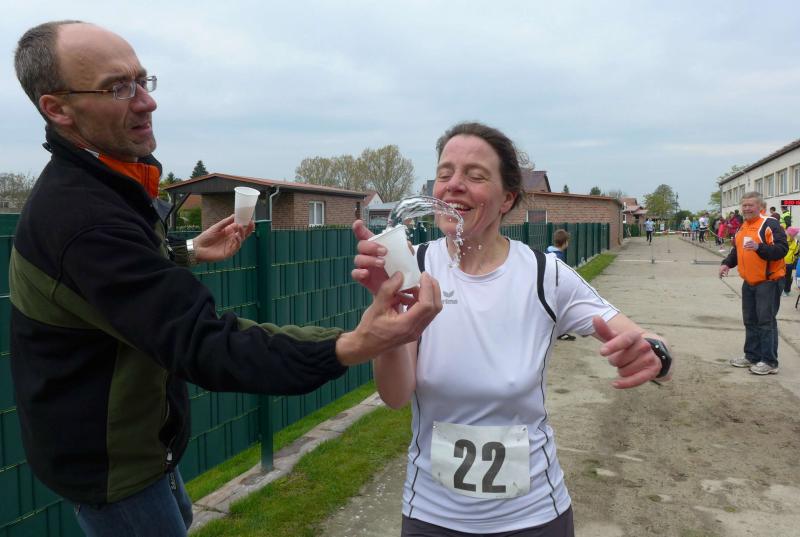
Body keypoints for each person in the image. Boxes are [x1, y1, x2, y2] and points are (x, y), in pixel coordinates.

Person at [11, 21, 442, 536]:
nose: (147, 101)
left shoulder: (108, 182)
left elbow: (110, 291)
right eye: (117, 87)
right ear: (57, 108)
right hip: (111, 468)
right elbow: (205, 342)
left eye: (143, 80)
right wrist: (351, 345)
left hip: (144, 444)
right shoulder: (83, 218)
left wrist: (185, 251)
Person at [351, 122, 673, 536]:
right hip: (432, 516)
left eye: (475, 175)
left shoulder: (544, 275)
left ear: (507, 198)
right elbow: (395, 396)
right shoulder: (414, 268)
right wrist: (390, 315)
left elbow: (646, 340)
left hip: (534, 516)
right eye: (445, 173)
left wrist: (656, 355)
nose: (454, 185)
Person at [720, 191, 787, 375]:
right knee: (750, 320)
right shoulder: (743, 227)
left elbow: (782, 249)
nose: (747, 208)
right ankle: (752, 356)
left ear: (760, 207)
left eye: (751, 205)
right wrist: (726, 264)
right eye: (744, 205)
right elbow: (737, 251)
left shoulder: (769, 224)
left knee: (766, 321)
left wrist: (759, 247)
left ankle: (770, 362)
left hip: (769, 281)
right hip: (749, 281)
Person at [782, 227, 800, 297]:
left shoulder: (796, 242)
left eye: (795, 235)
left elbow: (796, 253)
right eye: (793, 235)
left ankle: (786, 291)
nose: (794, 236)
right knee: (781, 277)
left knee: (788, 277)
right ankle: (782, 290)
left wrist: (793, 258)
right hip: (781, 262)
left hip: (789, 263)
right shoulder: (784, 239)